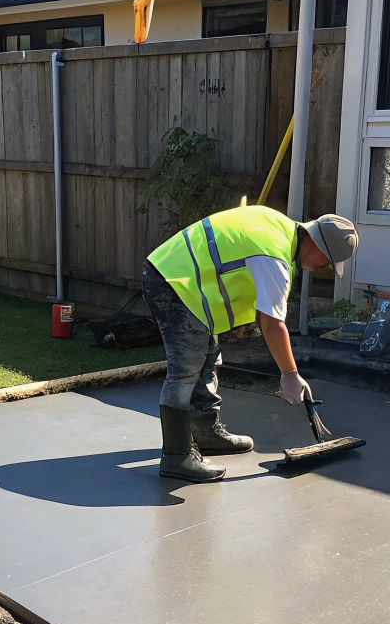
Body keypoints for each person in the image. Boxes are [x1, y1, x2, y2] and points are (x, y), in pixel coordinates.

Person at [142, 205, 359, 482]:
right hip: (174, 281)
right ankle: (177, 457)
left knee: (207, 357)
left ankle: (205, 433)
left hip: (180, 278)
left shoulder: (277, 228)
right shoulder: (274, 257)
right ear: (316, 245)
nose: (324, 268)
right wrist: (290, 376)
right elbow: (271, 324)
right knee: (185, 370)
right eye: (327, 261)